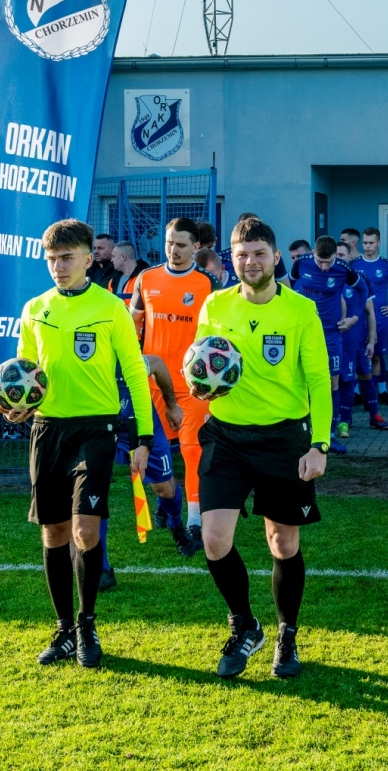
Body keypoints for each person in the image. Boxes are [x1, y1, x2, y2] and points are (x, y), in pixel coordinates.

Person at [0, 219, 154, 670]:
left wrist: (143, 437)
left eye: (66, 258)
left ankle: (87, 625)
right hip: (48, 429)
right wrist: (17, 406)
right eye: (52, 260)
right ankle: (64, 629)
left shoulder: (111, 308)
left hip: (96, 431)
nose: (58, 267)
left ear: (88, 258)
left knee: (85, 530)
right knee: (54, 532)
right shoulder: (34, 309)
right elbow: (27, 373)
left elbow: (135, 373)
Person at [192, 217, 330, 679]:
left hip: (283, 439)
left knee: (282, 542)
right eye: (242, 255)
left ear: (275, 257)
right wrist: (200, 385)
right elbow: (200, 360)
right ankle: (245, 625)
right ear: (231, 259)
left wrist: (319, 444)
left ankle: (287, 634)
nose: (250, 262)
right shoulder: (215, 304)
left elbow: (318, 381)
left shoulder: (301, 310)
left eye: (258, 254)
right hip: (226, 437)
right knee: (214, 540)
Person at [129, 217, 216, 552]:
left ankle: (194, 522)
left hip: (193, 386)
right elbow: (132, 325)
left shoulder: (207, 284)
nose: (173, 250)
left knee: (193, 451)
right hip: (152, 384)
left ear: (196, 246)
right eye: (169, 243)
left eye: (181, 245)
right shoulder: (146, 278)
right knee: (153, 454)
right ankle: (166, 506)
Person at [97, 353, 190, 590]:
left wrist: (171, 406)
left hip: (143, 426)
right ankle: (102, 568)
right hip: (103, 430)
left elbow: (158, 363)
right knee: (95, 493)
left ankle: (177, 526)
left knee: (165, 489)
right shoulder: (88, 363)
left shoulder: (126, 361)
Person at [289, 236, 357, 455]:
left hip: (331, 335)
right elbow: (288, 284)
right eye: (320, 261)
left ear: (336, 256)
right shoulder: (301, 263)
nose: (324, 267)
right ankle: (301, 434)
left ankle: (329, 435)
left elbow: (363, 290)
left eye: (329, 262)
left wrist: (353, 317)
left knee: (332, 384)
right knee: (299, 382)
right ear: (313, 254)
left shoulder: (343, 269)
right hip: (303, 332)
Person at [350, 227, 388, 418]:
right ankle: (357, 393)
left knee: (377, 357)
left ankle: (377, 393)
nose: (368, 246)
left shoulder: (386, 265)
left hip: (380, 318)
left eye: (371, 243)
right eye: (365, 243)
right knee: (358, 355)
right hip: (359, 318)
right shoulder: (354, 264)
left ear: (379, 243)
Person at [334, 241, 378, 437]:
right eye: (335, 255)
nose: (338, 259)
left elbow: (370, 312)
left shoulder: (359, 279)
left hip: (357, 341)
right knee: (343, 380)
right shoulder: (327, 279)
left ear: (350, 257)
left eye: (342, 255)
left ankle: (373, 416)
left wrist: (371, 340)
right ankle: (343, 421)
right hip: (337, 341)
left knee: (363, 376)